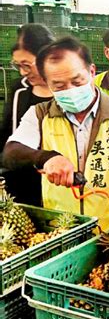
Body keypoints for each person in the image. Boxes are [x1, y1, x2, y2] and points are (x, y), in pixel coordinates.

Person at [3, 37, 109, 230]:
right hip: (61, 231)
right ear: (47, 83)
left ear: (92, 71)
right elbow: (11, 153)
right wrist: (46, 158)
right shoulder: (39, 115)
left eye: (78, 81)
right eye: (59, 86)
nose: (70, 90)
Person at [0, 24, 55, 206]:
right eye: (18, 65)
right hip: (23, 184)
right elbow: (7, 135)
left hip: (60, 183)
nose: (24, 72)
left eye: (27, 65)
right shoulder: (20, 90)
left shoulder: (68, 92)